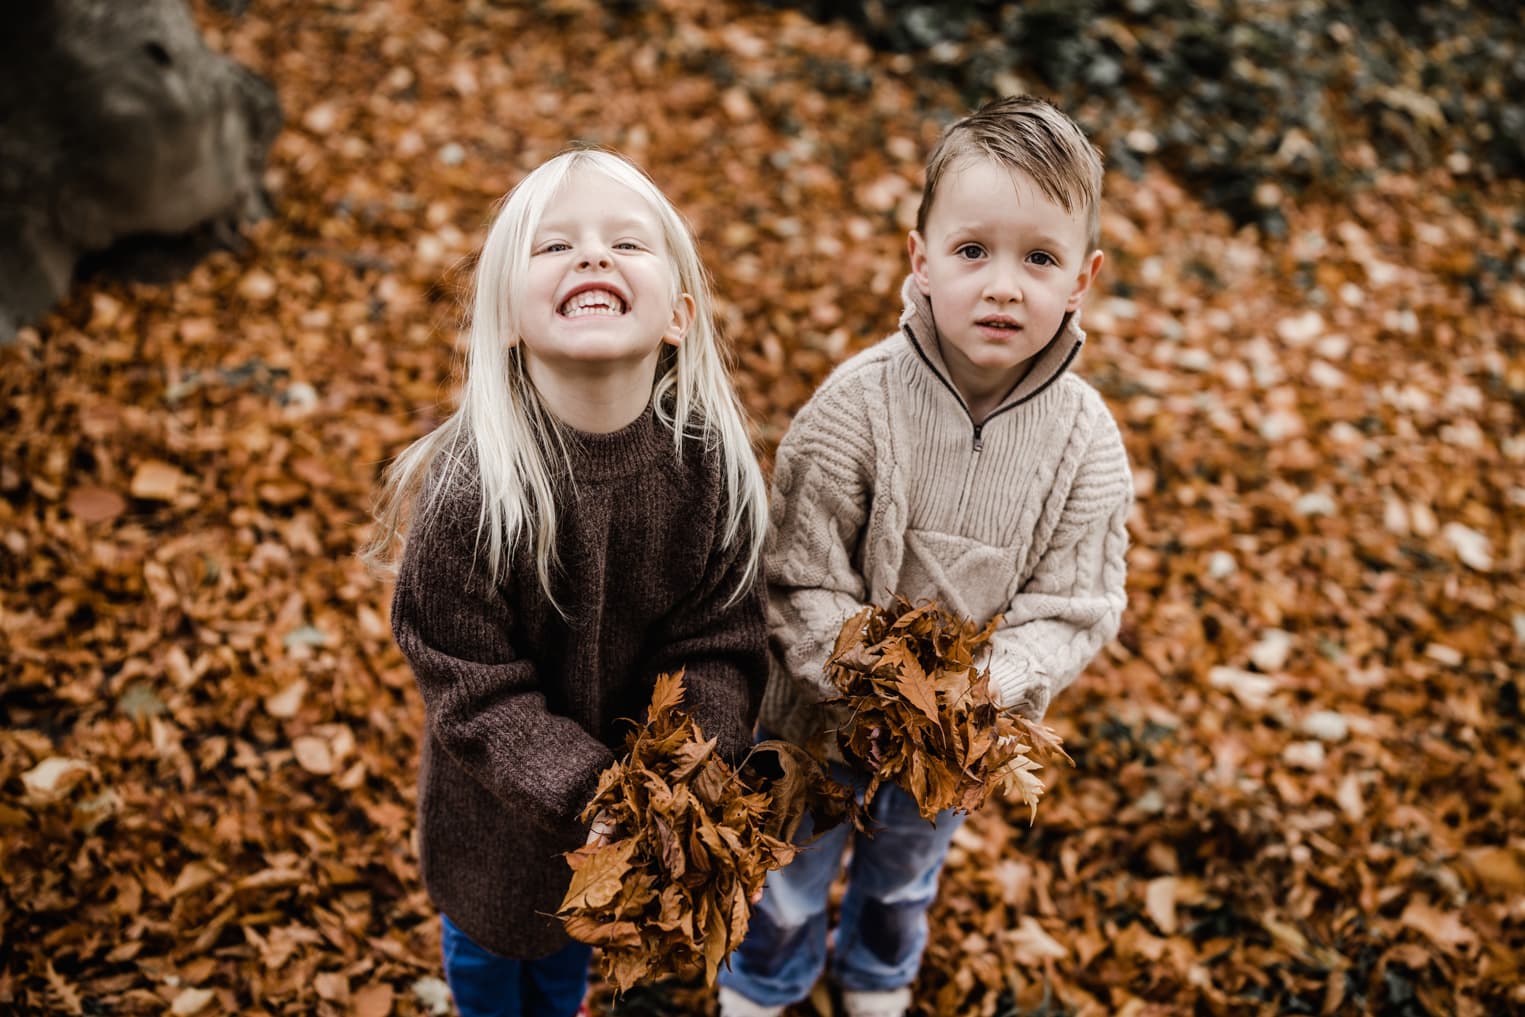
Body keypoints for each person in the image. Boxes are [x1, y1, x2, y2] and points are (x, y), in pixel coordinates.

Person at [716, 95, 1134, 1017]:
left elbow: (1075, 606)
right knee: (787, 871)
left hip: (958, 736)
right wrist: (871, 688)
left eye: (1039, 258)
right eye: (971, 250)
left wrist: (979, 691)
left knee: (906, 872)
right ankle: (761, 983)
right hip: (818, 720)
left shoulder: (1087, 446)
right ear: (920, 259)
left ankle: (876, 976)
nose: (1002, 286)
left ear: (1083, 278)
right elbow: (797, 577)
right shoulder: (852, 410)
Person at [364, 147, 770, 1017]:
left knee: (564, 971)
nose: (592, 256)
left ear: (679, 314)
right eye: (554, 246)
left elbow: (720, 641)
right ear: (506, 317)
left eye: (626, 243)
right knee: (489, 966)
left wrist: (684, 770)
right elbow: (470, 681)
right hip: (496, 823)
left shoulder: (708, 470)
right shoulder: (474, 487)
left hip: (632, 828)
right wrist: (595, 792)